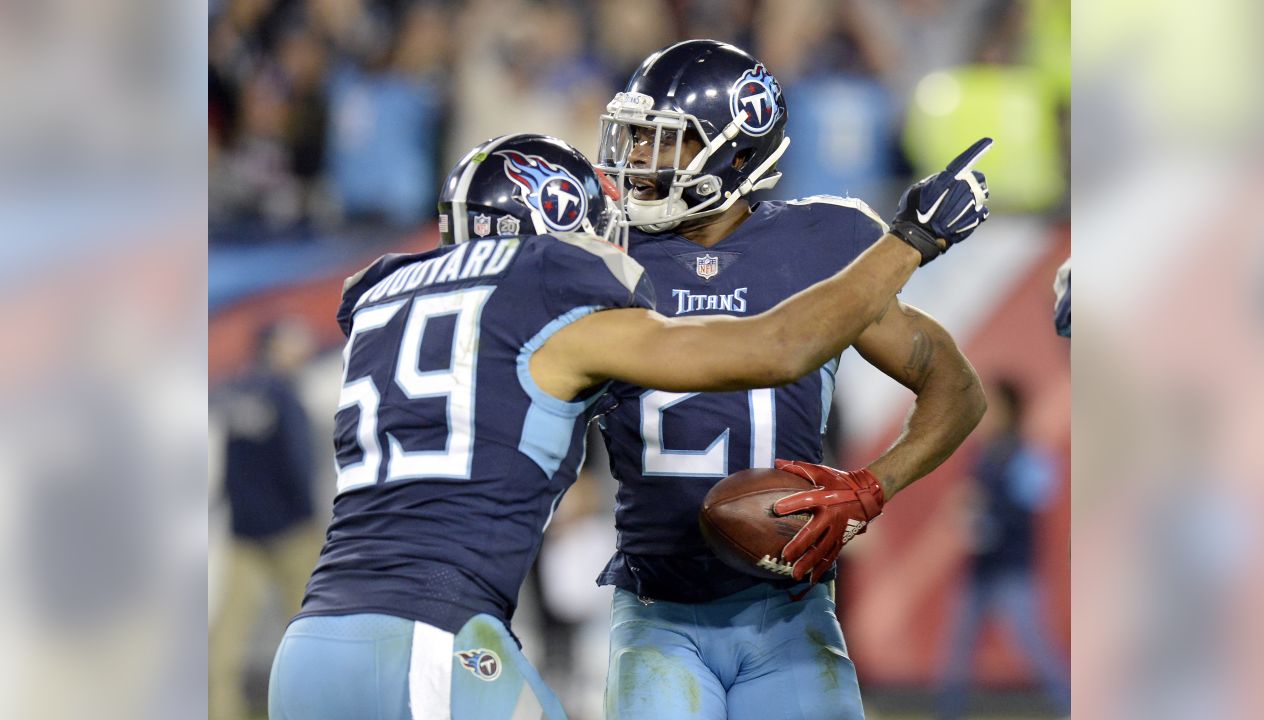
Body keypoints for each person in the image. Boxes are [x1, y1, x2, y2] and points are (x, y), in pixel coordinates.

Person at [267, 131, 990, 720]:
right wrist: (910, 240)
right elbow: (775, 348)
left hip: (311, 643)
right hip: (434, 639)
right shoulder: (545, 293)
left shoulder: (384, 293)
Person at [593, 40, 989, 719]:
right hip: (656, 612)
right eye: (634, 140)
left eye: (665, 143)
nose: (637, 162)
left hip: (790, 615)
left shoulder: (822, 242)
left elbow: (956, 389)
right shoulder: (602, 254)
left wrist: (872, 486)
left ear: (736, 155)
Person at [936, 378, 1070, 719]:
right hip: (981, 569)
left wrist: (987, 520)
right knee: (957, 651)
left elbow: (1032, 503)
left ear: (1010, 410)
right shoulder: (980, 454)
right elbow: (971, 501)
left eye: (992, 407)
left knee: (1037, 648)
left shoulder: (1029, 454)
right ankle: (947, 714)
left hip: (1014, 569)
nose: (985, 416)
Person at [211, 319, 322, 720]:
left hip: (245, 532)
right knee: (309, 635)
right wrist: (310, 515)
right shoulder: (283, 394)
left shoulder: (236, 390)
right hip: (291, 532)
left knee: (226, 640)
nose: (303, 346)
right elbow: (298, 463)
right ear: (273, 346)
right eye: (294, 339)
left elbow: (228, 467)